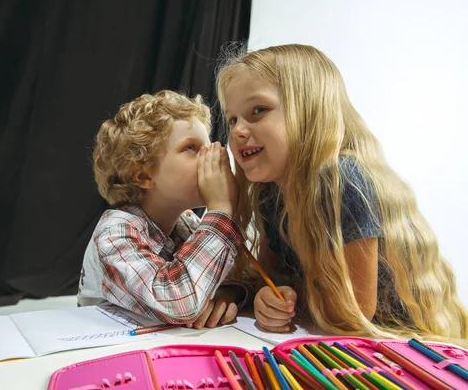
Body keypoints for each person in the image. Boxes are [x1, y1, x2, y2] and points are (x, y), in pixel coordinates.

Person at [217, 44, 468, 342]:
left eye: (258, 110)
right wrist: (269, 296)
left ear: (309, 110)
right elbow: (276, 279)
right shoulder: (268, 193)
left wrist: (290, 302)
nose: (237, 131)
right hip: (341, 342)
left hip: (399, 344)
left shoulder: (341, 179)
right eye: (232, 119)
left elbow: (351, 314)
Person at [77, 90, 246, 328]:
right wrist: (220, 211)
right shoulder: (115, 232)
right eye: (191, 148)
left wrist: (228, 293)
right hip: (113, 355)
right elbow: (179, 303)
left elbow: (241, 276)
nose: (212, 155)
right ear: (144, 175)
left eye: (208, 144)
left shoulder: (185, 222)